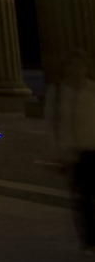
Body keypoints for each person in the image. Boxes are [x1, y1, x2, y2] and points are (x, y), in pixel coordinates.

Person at [48, 47, 95, 249]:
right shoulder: (58, 92)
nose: (77, 69)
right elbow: (51, 123)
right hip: (74, 152)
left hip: (94, 148)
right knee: (82, 197)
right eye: (72, 65)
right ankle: (90, 239)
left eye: (80, 65)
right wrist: (57, 152)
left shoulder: (93, 89)